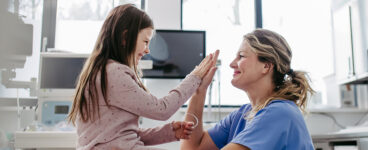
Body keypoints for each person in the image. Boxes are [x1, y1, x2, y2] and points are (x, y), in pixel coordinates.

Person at [67, 4, 219, 150]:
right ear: (125, 37)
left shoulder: (102, 70)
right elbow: (162, 110)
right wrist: (195, 77)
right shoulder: (114, 73)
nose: (147, 50)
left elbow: (123, 136)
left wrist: (169, 132)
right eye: (145, 42)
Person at [181, 29, 315, 150]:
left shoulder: (280, 113)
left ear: (266, 67)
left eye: (242, 56)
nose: (232, 64)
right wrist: (199, 90)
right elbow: (193, 148)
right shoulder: (241, 115)